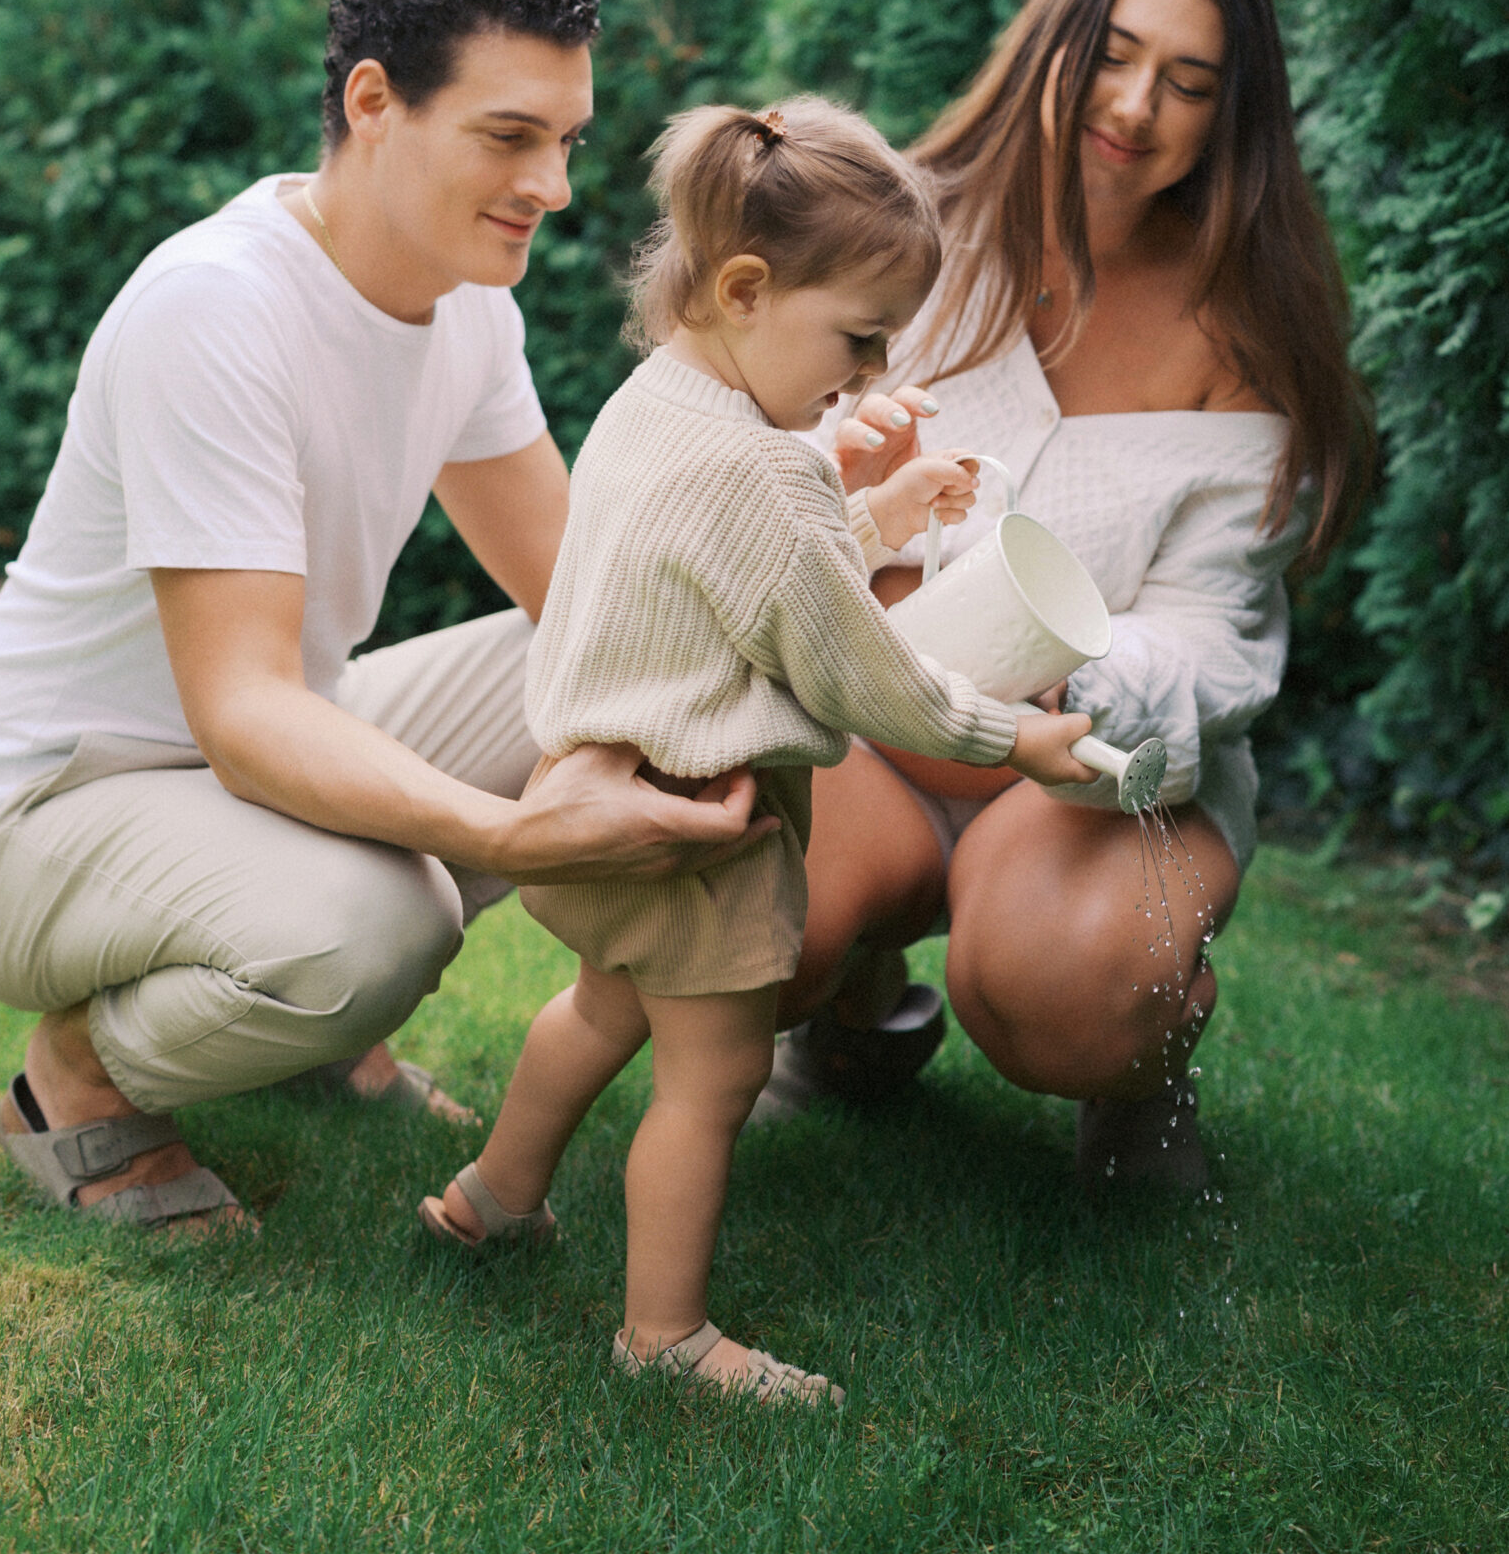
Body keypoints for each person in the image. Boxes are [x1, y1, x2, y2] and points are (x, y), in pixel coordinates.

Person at [0, 0, 771, 1237]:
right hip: (50, 818)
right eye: (509, 138)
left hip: (236, 766)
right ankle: (76, 1083)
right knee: (380, 929)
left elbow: (581, 587)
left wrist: (827, 537)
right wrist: (511, 836)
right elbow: (245, 710)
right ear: (372, 104)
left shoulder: (469, 300)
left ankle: (321, 1041)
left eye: (567, 142)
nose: (552, 185)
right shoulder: (214, 306)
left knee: (641, 654)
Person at [417, 98, 1096, 1400]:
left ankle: (490, 1197)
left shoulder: (656, 404)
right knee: (712, 1076)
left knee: (604, 1003)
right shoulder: (769, 476)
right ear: (743, 287)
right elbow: (868, 674)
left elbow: (735, 571)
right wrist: (1018, 735)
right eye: (853, 340)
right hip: (703, 824)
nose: (860, 377)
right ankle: (662, 1335)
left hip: (600, 783)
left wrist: (871, 507)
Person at [762, 0, 1373, 1192]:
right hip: (866, 731)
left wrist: (1090, 690)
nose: (1136, 105)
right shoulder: (905, 230)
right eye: (1113, 52)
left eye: (1188, 81)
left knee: (1064, 990)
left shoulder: (1243, 335)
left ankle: (1134, 1066)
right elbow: (743, 440)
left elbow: (1216, 639)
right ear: (1053, 42)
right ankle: (850, 1002)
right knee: (741, 917)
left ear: (1230, 116)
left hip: (1076, 781)